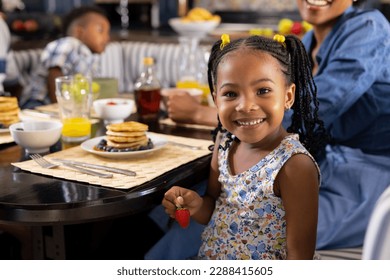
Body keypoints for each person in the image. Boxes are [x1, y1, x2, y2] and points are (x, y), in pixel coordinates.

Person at [161, 33, 328, 260]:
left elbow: (300, 256)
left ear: (288, 96)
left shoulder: (295, 165)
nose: (246, 105)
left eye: (263, 91)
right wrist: (195, 204)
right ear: (216, 99)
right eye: (230, 94)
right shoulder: (225, 142)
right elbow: (215, 209)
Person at [293, 0, 390, 250]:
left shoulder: (369, 28)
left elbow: (314, 109)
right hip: (323, 168)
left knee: (266, 233)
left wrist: (207, 113)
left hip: (368, 180)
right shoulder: (306, 42)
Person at [20, 5, 110, 109]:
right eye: (101, 30)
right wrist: (60, 108)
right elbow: (54, 74)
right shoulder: (68, 43)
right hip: (38, 103)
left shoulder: (90, 57)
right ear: (79, 32)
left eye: (108, 32)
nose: (107, 37)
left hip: (65, 108)